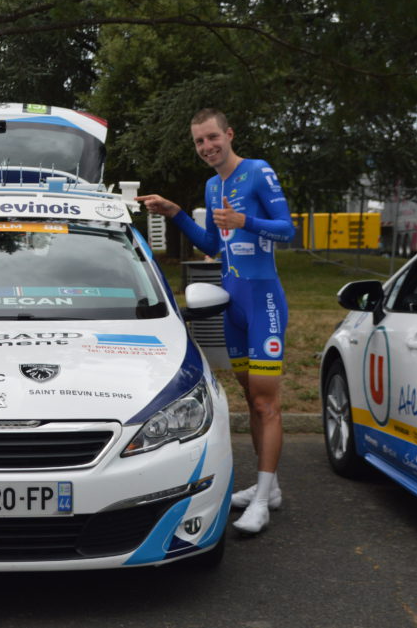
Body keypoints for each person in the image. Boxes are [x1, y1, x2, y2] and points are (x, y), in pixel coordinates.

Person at [136, 108, 295, 534]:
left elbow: (288, 230)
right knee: (250, 400)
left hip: (262, 302)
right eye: (199, 142)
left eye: (212, 138)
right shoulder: (212, 186)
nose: (207, 147)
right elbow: (214, 244)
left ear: (229, 133)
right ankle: (270, 487)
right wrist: (176, 213)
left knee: (266, 403)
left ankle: (261, 501)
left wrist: (246, 221)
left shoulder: (258, 172)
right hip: (232, 304)